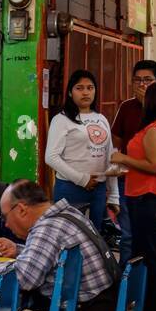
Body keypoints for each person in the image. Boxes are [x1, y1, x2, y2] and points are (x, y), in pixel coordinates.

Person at [0, 179, 119, 311]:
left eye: (5, 217)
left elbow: (23, 280)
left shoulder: (47, 227)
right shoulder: (69, 214)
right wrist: (18, 249)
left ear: (22, 209)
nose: (6, 225)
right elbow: (55, 255)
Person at [110, 81, 156, 311]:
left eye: (146, 95)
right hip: (142, 195)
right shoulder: (155, 127)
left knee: (151, 257)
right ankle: (146, 307)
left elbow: (155, 166)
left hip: (149, 198)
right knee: (144, 255)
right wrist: (122, 169)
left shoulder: (154, 130)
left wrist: (122, 158)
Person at [46, 70, 121, 229]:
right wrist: (82, 179)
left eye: (90, 87)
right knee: (69, 238)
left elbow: (110, 156)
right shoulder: (61, 119)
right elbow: (51, 157)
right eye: (79, 88)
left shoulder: (101, 119)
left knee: (95, 238)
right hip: (70, 188)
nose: (85, 92)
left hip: (98, 190)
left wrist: (114, 195)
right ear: (70, 92)